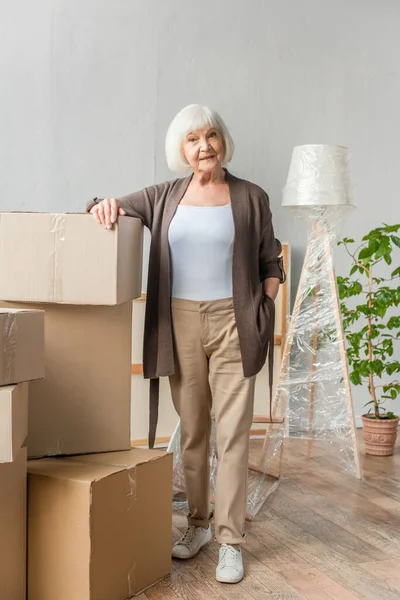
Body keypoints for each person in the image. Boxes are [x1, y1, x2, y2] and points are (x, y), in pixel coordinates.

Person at [87, 104, 285, 584]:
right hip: (179, 322)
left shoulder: (250, 197)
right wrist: (103, 204)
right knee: (194, 432)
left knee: (233, 434)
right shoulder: (164, 196)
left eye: (212, 136)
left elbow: (270, 263)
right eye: (194, 139)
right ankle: (198, 525)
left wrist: (262, 307)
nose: (205, 147)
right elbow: (105, 205)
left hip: (234, 321)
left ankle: (231, 540)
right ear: (181, 149)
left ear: (222, 141)